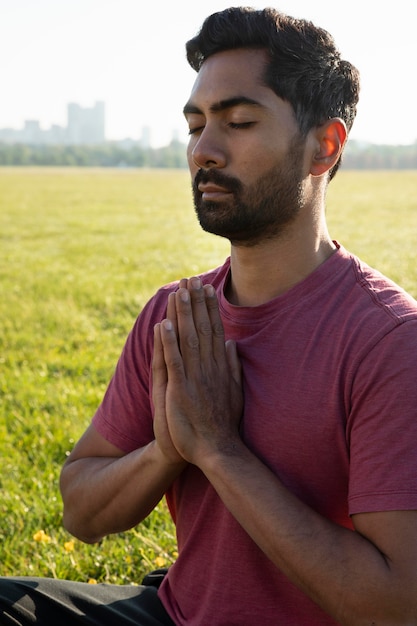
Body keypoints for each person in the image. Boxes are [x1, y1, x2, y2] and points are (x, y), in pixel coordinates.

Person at [1, 6, 417, 626]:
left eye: (240, 122)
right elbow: (81, 512)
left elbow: (396, 605)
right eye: (195, 126)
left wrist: (222, 451)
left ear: (323, 148)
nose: (205, 151)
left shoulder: (388, 341)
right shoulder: (178, 314)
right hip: (174, 611)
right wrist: (168, 450)